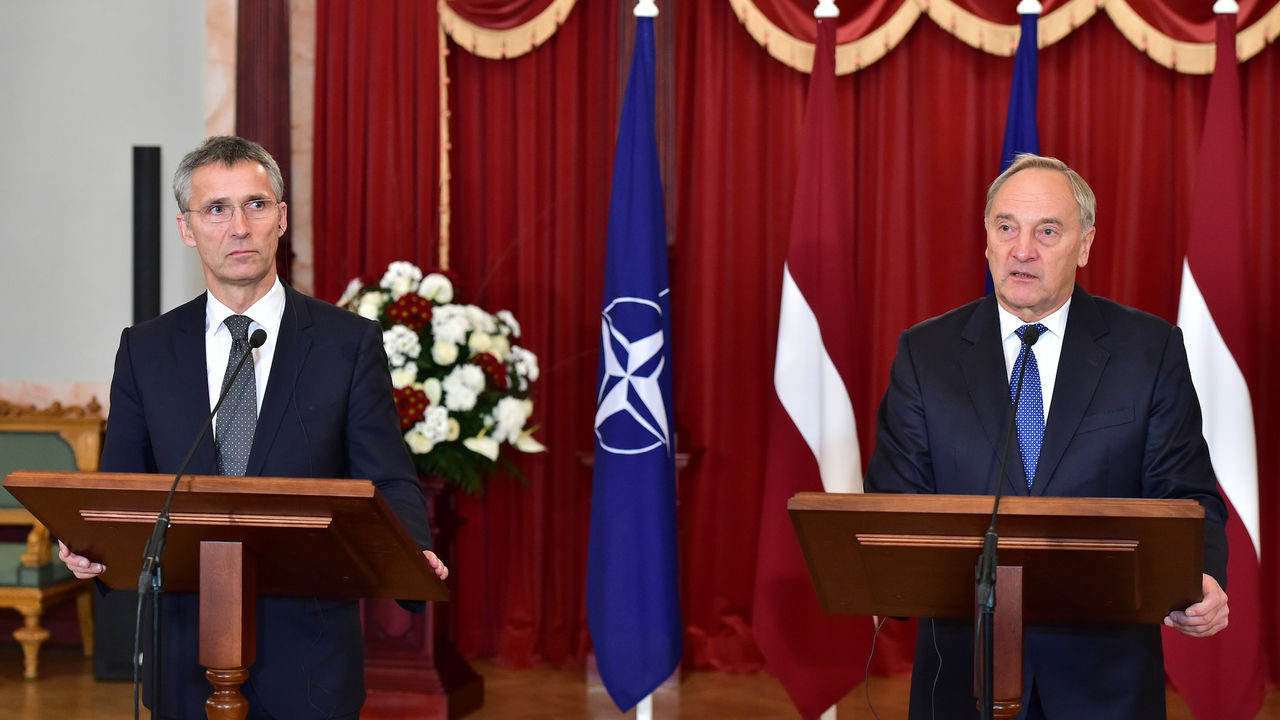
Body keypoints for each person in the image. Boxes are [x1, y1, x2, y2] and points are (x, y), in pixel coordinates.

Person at [57, 135, 448, 720]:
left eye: (255, 205)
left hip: (310, 657)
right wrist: (92, 545)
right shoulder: (146, 350)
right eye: (216, 209)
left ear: (281, 219)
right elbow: (125, 489)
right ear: (188, 229)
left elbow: (388, 477)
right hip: (184, 652)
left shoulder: (347, 345)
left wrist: (411, 550)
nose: (238, 226)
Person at [864, 153, 1228, 719]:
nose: (1022, 249)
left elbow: (1185, 493)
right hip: (965, 677)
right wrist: (890, 577)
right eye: (1006, 227)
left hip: (1105, 679)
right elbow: (894, 499)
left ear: (1084, 246)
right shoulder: (925, 353)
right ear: (986, 240)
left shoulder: (1147, 350)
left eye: (1047, 231)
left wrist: (1199, 576)